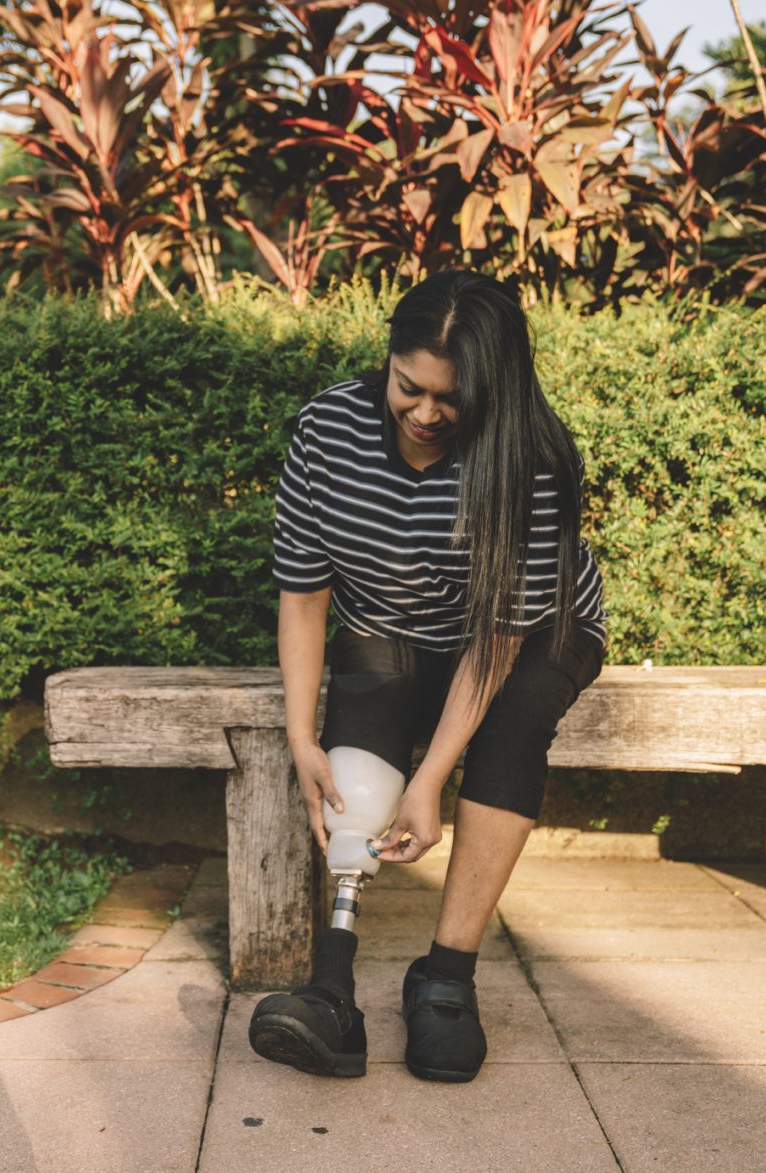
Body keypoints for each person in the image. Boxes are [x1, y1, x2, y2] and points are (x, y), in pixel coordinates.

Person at [248, 269, 609, 1084]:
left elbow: (496, 640)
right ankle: (331, 993)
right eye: (408, 387)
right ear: (389, 359)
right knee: (356, 770)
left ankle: (445, 977)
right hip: (390, 626)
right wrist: (303, 735)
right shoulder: (328, 429)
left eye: (452, 400)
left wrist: (432, 780)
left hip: (532, 633)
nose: (424, 413)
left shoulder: (533, 456)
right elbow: (305, 596)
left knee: (512, 727)